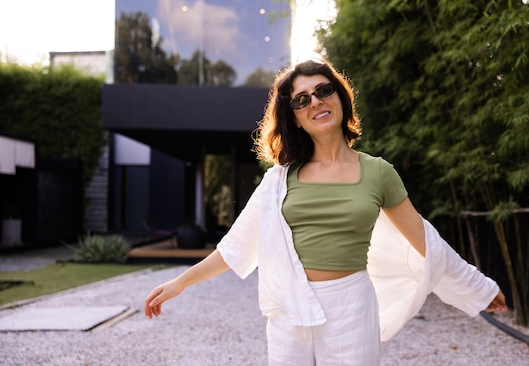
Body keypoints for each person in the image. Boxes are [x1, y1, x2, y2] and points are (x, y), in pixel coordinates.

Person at [144, 59, 508, 365]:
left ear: (339, 97)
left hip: (352, 306)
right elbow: (237, 245)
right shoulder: (279, 181)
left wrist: (477, 288)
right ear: (295, 117)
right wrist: (181, 282)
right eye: (301, 100)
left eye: (323, 90)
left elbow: (424, 239)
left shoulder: (379, 172)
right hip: (290, 308)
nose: (315, 102)